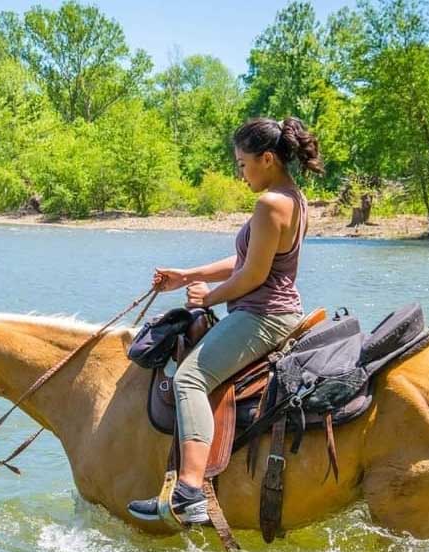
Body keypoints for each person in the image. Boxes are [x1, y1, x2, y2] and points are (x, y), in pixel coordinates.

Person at [128, 116, 325, 524]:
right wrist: (189, 276)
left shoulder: (270, 203)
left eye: (242, 164)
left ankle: (189, 492)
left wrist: (209, 297)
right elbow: (246, 261)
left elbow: (253, 276)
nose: (240, 174)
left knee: (190, 378)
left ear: (267, 158)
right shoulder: (292, 196)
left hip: (264, 315)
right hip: (276, 309)